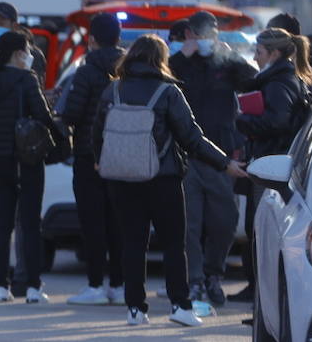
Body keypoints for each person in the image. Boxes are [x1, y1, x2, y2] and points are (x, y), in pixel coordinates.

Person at [92, 35, 248, 328]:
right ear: (159, 60)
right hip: (162, 179)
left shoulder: (112, 90)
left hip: (121, 179)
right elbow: (192, 137)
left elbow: (96, 132)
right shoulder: (168, 92)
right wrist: (225, 163)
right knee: (174, 245)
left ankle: (135, 310)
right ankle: (180, 305)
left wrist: (100, 159)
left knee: (132, 243)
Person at [167, 11, 257, 308]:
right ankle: (194, 281)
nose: (205, 40)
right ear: (190, 35)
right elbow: (161, 81)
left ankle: (213, 274)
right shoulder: (179, 63)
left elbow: (252, 82)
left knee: (224, 220)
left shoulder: (226, 63)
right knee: (189, 223)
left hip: (221, 154)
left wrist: (231, 57)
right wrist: (181, 56)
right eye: (200, 34)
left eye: (210, 34)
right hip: (186, 153)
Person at [0, 30, 67, 304]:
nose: (29, 55)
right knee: (29, 223)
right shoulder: (27, 79)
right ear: (17, 54)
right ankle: (32, 287)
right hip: (26, 158)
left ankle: (1, 286)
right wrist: (61, 132)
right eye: (27, 51)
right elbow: (42, 115)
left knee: (2, 223)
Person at [228, 27, 312, 305]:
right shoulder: (276, 78)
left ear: (275, 54)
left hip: (271, 164)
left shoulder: (279, 82)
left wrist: (242, 119)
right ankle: (257, 290)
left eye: (259, 52)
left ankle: (261, 292)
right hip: (269, 160)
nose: (255, 57)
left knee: (262, 231)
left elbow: (277, 122)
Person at [59, 11, 125, 306]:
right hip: (124, 156)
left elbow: (72, 113)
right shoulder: (129, 68)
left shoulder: (85, 71)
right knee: (120, 222)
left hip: (88, 154)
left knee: (92, 222)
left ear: (92, 38)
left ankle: (95, 284)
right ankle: (121, 284)